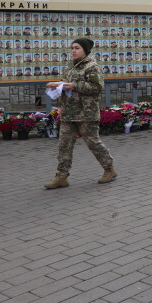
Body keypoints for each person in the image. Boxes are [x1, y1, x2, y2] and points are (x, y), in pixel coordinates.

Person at [44, 38, 117, 189]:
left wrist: (74, 85)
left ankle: (109, 169)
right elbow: (66, 83)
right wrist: (57, 85)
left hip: (86, 113)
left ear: (85, 50)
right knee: (64, 145)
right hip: (69, 113)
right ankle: (61, 176)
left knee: (93, 143)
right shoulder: (70, 67)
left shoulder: (92, 67)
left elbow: (96, 87)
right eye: (72, 48)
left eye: (77, 48)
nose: (73, 50)